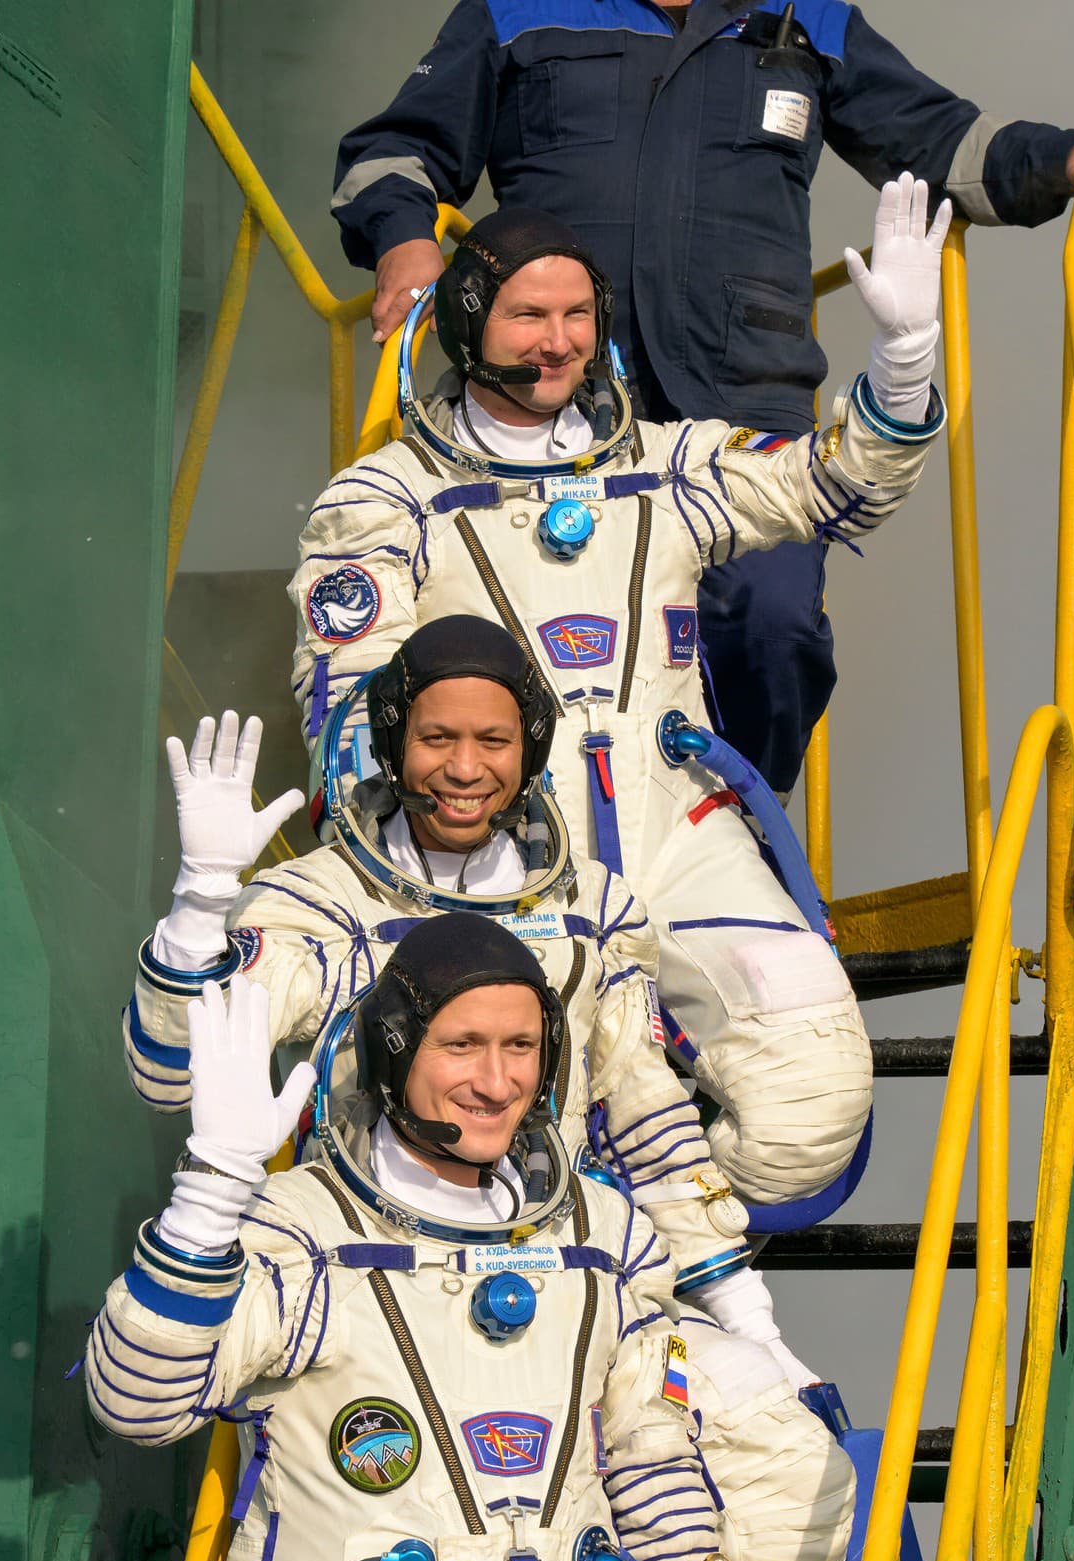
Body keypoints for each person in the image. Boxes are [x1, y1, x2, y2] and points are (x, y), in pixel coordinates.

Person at [125, 615, 856, 1561]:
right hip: (371, 1280)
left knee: (784, 1474)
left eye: (493, 742)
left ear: (531, 748)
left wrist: (746, 1314)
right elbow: (166, 1069)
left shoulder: (593, 912)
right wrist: (199, 912)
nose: (462, 770)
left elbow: (647, 1116)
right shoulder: (321, 905)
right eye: (433, 740)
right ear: (389, 740)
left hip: (570, 1269)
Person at [287, 183, 945, 1211]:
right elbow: (349, 723)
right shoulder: (385, 501)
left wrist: (903, 362)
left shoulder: (668, 467)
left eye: (575, 317)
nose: (557, 344)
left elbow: (835, 485)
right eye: (527, 317)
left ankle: (664, 1258)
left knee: (811, 1099)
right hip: (499, 860)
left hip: (676, 830)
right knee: (498, 1122)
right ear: (468, 323)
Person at [331, 0, 1074, 792]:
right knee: (523, 629)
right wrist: (404, 238)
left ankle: (742, 836)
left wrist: (1064, 159)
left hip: (741, 406)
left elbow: (941, 141)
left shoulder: (808, 20)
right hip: (554, 407)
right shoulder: (518, 10)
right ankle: (524, 860)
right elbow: (396, 147)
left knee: (772, 622)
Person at [91, 922, 767, 1561]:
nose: (497, 1081)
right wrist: (215, 1182)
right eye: (462, 1045)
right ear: (394, 1050)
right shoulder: (304, 1230)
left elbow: (655, 1470)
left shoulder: (605, 1240)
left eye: (522, 1046)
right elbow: (136, 1399)